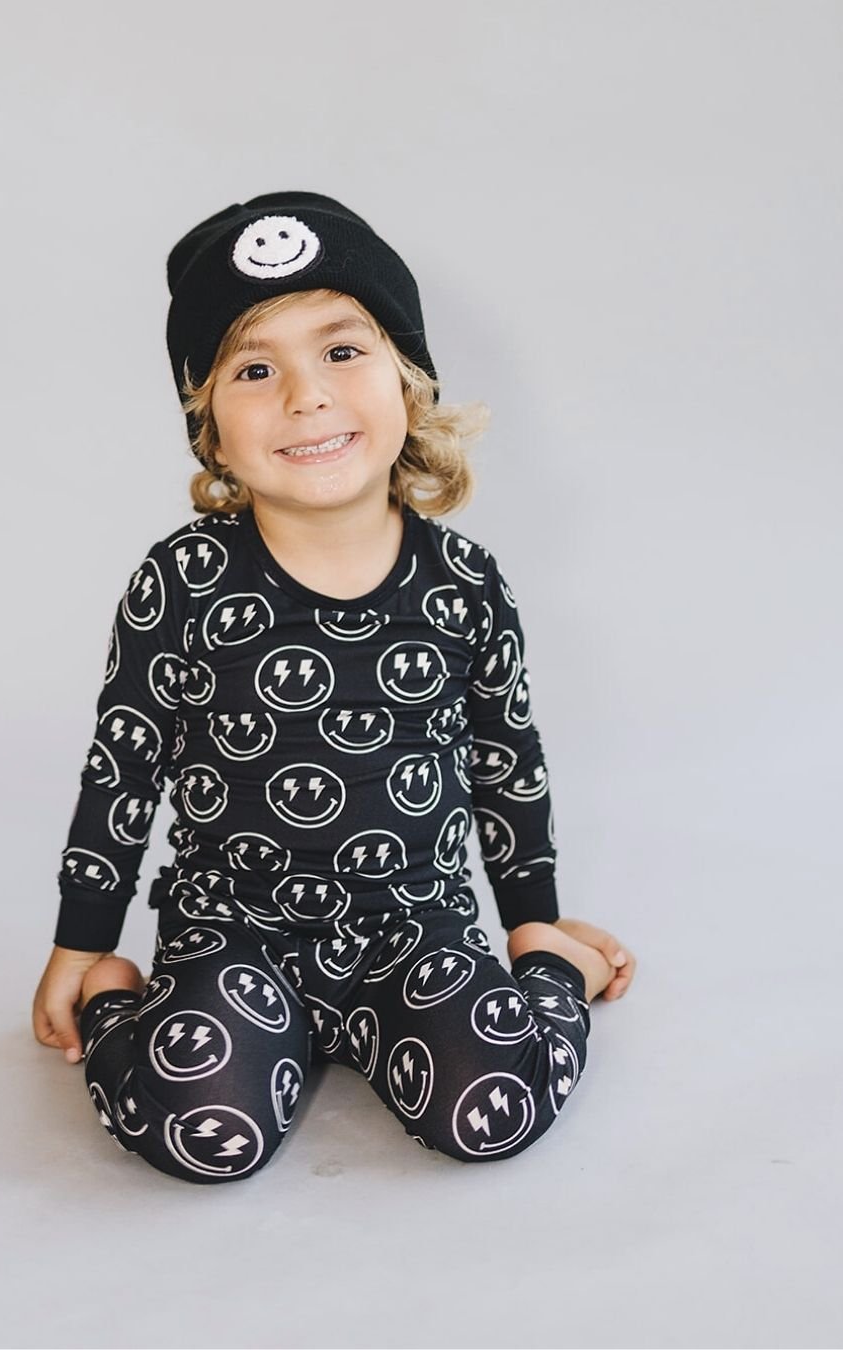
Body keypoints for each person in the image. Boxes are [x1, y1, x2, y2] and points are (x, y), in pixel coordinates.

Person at [31, 191, 636, 1183]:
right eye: (255, 368)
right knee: (199, 1130)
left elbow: (505, 762)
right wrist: (79, 946)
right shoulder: (183, 584)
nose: (304, 395)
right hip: (235, 940)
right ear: (210, 429)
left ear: (409, 386)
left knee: (497, 1113)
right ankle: (118, 999)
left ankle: (553, 975)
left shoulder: (465, 584)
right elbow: (124, 766)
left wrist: (534, 915)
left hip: (419, 935)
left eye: (342, 352)